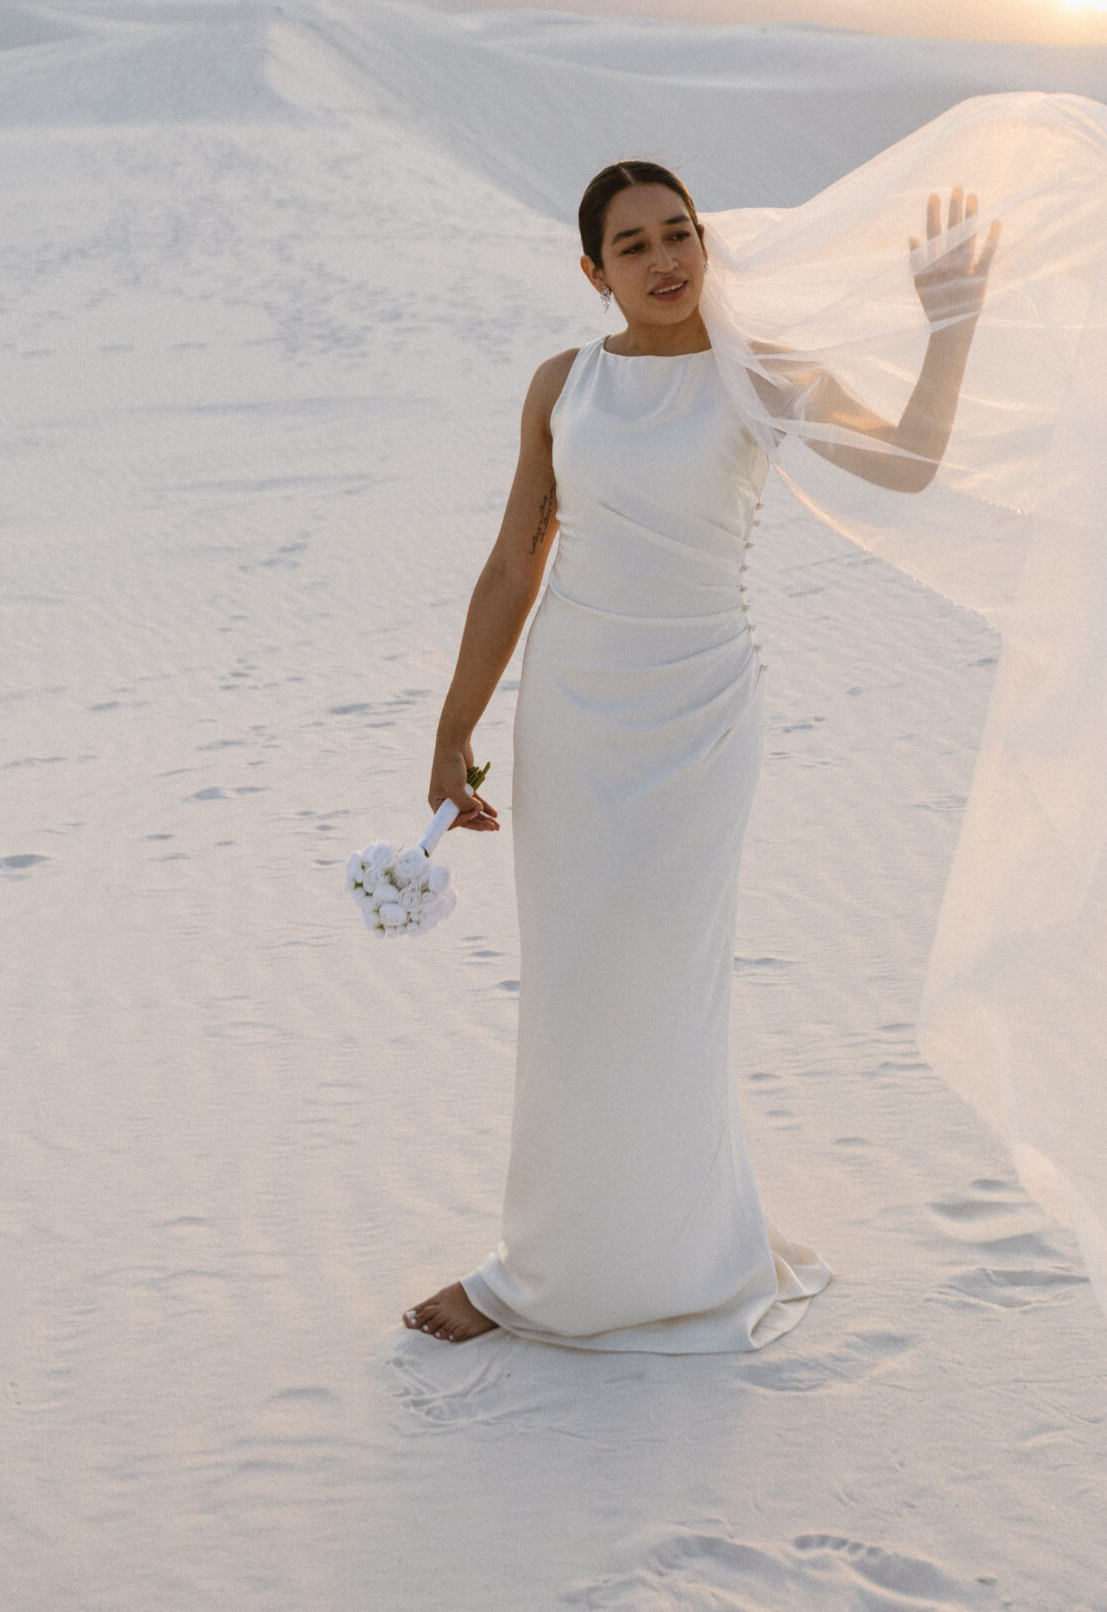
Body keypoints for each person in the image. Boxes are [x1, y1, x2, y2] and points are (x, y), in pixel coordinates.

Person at [403, 158, 999, 1348]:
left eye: (680, 232)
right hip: (571, 712)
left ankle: (680, 1260)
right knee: (574, 984)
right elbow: (517, 559)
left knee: (666, 981)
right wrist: (451, 727)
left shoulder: (754, 370)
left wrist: (950, 328)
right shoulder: (561, 385)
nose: (667, 259)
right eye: (634, 246)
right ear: (592, 272)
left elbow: (905, 465)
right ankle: (548, 1264)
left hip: (700, 713)